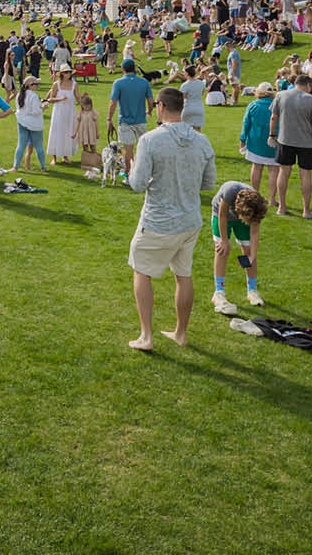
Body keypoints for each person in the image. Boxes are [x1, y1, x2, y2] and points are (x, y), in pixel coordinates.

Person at [125, 86, 216, 351]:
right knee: (183, 275)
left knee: (142, 271)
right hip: (189, 221)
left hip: (159, 222)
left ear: (161, 107)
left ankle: (146, 336)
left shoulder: (150, 140)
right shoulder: (202, 140)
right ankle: (180, 333)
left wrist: (131, 168)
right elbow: (208, 182)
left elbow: (137, 184)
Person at [209, 180, 268, 315]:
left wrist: (252, 255)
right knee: (222, 250)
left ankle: (252, 290)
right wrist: (224, 240)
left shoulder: (256, 206)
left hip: (242, 214)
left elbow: (254, 232)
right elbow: (222, 216)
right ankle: (219, 292)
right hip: (220, 215)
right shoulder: (230, 190)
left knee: (248, 251)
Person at [269, 74, 312, 219]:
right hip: (306, 143)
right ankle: (306, 210)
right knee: (305, 175)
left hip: (285, 140)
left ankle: (281, 207)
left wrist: (272, 134)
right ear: (308, 85)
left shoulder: (281, 95)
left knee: (283, 172)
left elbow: (273, 117)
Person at [106, 58, 155, 178]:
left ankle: (129, 175)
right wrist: (149, 111)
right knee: (142, 149)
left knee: (128, 150)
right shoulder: (144, 82)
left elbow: (113, 103)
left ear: (123, 69)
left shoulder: (118, 83)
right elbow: (150, 101)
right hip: (141, 120)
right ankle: (142, 172)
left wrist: (109, 118)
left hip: (125, 121)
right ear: (134, 69)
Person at [237, 82, 278, 195]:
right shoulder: (277, 105)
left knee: (256, 167)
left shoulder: (253, 105)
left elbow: (246, 123)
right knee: (274, 169)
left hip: (256, 141)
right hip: (274, 140)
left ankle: (254, 194)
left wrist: (242, 139)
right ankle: (272, 198)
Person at [12, 75, 47, 171]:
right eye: (36, 84)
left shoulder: (19, 95)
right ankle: (43, 167)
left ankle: (15, 166)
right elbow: (36, 111)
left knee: (21, 145)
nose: (38, 86)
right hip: (34, 124)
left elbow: (20, 108)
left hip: (22, 122)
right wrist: (43, 107)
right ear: (31, 85)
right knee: (39, 146)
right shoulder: (34, 96)